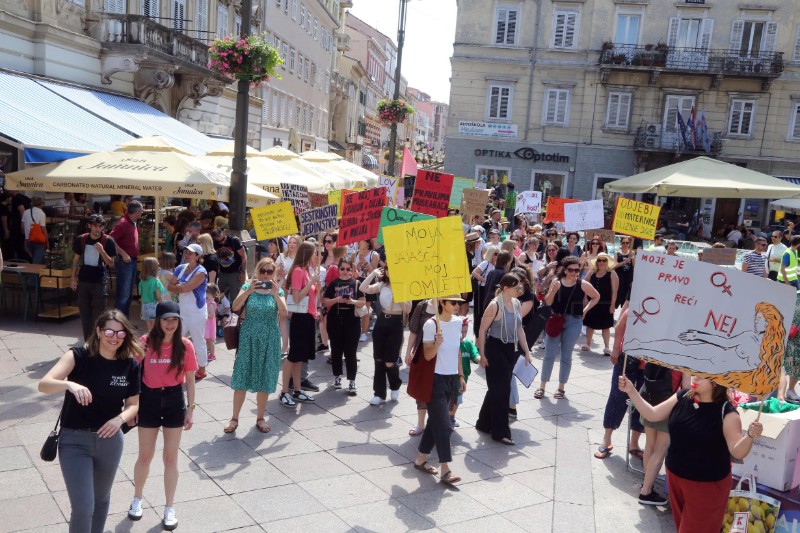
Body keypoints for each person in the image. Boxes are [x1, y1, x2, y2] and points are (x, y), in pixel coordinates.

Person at [38, 310, 141, 533]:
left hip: (111, 440)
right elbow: (44, 384)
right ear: (98, 330)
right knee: (84, 506)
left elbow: (134, 405)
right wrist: (69, 385)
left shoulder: (130, 365)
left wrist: (119, 419)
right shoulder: (78, 356)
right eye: (109, 331)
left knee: (102, 500)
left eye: (120, 332)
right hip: (74, 439)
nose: (114, 337)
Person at [618, 374, 762, 531]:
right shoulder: (683, 396)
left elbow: (738, 452)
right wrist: (631, 390)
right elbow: (652, 413)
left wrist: (750, 436)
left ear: (716, 383)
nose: (695, 378)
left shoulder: (727, 412)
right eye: (695, 373)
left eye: (702, 376)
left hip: (707, 486)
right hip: (675, 478)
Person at [128, 302, 197, 530]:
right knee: (145, 456)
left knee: (170, 458)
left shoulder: (185, 345)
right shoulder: (145, 343)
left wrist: (190, 409)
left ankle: (169, 507)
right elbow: (133, 376)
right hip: (148, 400)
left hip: (174, 400)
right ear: (158, 320)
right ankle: (137, 498)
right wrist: (131, 406)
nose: (170, 324)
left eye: (174, 319)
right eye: (166, 319)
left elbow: (189, 379)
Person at [226, 258, 286, 432]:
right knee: (241, 377)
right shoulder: (247, 287)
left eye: (269, 272)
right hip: (249, 337)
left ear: (274, 273)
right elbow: (235, 306)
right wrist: (248, 290)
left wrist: (276, 293)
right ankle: (234, 418)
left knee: (265, 378)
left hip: (270, 338)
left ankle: (260, 418)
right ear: (257, 271)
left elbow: (284, 313)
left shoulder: (278, 291)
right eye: (263, 271)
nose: (265, 275)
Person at [412, 296, 465, 485]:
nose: (458, 306)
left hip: (451, 379)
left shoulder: (458, 322)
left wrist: (460, 376)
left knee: (436, 421)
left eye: (459, 302)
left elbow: (458, 350)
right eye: (453, 302)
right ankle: (445, 469)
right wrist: (437, 343)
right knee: (444, 425)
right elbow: (427, 355)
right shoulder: (431, 324)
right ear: (442, 303)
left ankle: (420, 458)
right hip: (434, 380)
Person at [476, 274, 532, 444]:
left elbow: (520, 329)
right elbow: (482, 331)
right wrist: (482, 354)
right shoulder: (494, 305)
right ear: (506, 288)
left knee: (497, 388)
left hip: (511, 349)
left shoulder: (516, 303)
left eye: (521, 288)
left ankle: (484, 423)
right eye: (517, 288)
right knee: (502, 391)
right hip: (495, 349)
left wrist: (527, 352)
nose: (520, 290)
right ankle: (500, 433)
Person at [535, 256, 600, 399]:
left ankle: (561, 388)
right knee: (549, 354)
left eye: (577, 270)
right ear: (565, 270)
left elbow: (596, 296)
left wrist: (585, 310)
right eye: (571, 270)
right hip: (555, 319)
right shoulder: (556, 282)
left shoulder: (582, 284)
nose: (574, 273)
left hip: (574, 321)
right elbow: (548, 302)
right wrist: (553, 290)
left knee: (566, 355)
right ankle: (542, 386)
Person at [595, 309, 645, 461]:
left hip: (652, 364)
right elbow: (621, 325)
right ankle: (607, 438)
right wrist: (616, 348)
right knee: (617, 397)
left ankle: (634, 443)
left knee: (643, 401)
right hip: (627, 359)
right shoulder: (640, 303)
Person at [361, 265, 411, 404]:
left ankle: (395, 385)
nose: (391, 272)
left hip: (396, 323)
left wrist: (399, 296)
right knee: (378, 360)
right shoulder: (383, 284)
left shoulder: (404, 286)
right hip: (382, 320)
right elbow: (363, 288)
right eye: (388, 269)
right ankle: (379, 393)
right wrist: (372, 274)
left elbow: (408, 309)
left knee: (390, 361)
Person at [279, 242, 320, 406]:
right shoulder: (298, 271)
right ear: (308, 254)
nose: (316, 256)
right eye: (314, 253)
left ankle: (297, 390)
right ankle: (284, 391)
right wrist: (311, 283)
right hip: (300, 318)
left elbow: (309, 295)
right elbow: (296, 297)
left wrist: (316, 286)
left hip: (308, 316)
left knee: (299, 358)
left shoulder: (305, 271)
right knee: (293, 356)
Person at [71, 214, 117, 341]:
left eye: (100, 226)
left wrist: (102, 251)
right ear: (89, 226)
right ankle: (88, 343)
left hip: (99, 282)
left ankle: (97, 343)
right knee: (85, 315)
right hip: (84, 280)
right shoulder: (82, 239)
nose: (98, 229)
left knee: (98, 316)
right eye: (95, 226)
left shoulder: (108, 241)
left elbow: (111, 264)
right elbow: (75, 260)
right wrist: (73, 279)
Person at [323, 258, 365, 395]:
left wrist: (352, 301)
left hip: (352, 322)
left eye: (348, 269)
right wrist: (337, 299)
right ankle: (337, 377)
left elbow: (362, 303)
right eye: (342, 269)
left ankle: (352, 380)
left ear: (351, 271)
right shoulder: (333, 284)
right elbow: (325, 302)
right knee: (336, 351)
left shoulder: (357, 283)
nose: (345, 272)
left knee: (351, 352)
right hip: (335, 321)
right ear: (339, 270)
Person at [167, 243, 209, 380]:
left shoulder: (201, 272)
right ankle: (176, 365)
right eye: (186, 252)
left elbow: (186, 288)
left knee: (198, 340)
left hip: (197, 311)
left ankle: (202, 368)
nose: (187, 255)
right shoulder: (180, 267)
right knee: (175, 339)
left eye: (190, 253)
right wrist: (181, 287)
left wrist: (178, 286)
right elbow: (170, 287)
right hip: (182, 310)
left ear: (198, 256)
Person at [405, 299, 436, 437]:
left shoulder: (449, 305)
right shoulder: (422, 306)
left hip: (441, 355)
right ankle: (420, 424)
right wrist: (407, 352)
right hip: (422, 354)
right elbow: (413, 331)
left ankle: (437, 421)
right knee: (421, 388)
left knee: (439, 389)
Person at [108, 200, 142, 317]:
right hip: (124, 262)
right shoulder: (123, 223)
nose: (142, 213)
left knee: (128, 293)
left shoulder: (133, 222)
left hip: (131, 260)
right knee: (123, 294)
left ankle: (124, 321)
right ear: (137, 211)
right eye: (141, 211)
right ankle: (118, 321)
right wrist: (123, 253)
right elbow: (110, 239)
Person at [582, 253, 619, 355]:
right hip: (592, 302)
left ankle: (607, 347)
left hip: (606, 303)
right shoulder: (592, 272)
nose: (601, 262)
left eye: (604, 260)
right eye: (599, 260)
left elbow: (614, 290)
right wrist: (585, 298)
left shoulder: (612, 273)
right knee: (590, 324)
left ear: (607, 262)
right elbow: (584, 284)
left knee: (605, 326)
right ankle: (588, 344)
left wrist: (613, 304)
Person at [354, 239, 380, 341]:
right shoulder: (355, 254)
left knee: (366, 308)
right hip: (357, 282)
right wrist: (357, 266)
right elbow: (353, 271)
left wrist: (365, 262)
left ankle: (364, 332)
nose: (360, 241)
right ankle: (356, 331)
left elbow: (374, 271)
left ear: (367, 242)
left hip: (368, 282)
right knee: (356, 308)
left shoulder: (374, 254)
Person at [211, 229, 247, 302]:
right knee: (219, 296)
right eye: (219, 241)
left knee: (235, 297)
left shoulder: (234, 241)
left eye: (223, 239)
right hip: (223, 273)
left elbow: (243, 256)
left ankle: (235, 312)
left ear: (224, 234)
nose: (222, 242)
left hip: (235, 272)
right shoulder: (214, 243)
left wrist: (243, 272)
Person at [471, 245, 499, 337]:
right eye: (495, 254)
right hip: (482, 290)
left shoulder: (498, 266)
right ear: (491, 254)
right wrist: (486, 281)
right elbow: (474, 272)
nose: (497, 256)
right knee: (480, 312)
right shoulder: (485, 263)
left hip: (491, 291)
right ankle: (478, 335)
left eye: (499, 254)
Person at [780, 291, 800, 402]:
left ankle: (790, 389)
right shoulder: (794, 294)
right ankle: (780, 394)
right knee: (783, 364)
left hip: (797, 339)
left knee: (797, 365)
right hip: (787, 334)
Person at [138, 257, 165, 331]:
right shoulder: (156, 282)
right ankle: (154, 341)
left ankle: (149, 340)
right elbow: (159, 297)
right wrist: (164, 307)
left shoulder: (142, 281)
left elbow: (141, 294)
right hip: (153, 306)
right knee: (155, 328)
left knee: (149, 327)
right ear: (154, 268)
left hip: (144, 306)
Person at [21, 196, 47, 264]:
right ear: (41, 204)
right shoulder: (41, 213)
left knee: (31, 260)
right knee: (36, 263)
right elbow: (43, 229)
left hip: (28, 240)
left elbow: (22, 227)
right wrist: (47, 241)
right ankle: (34, 274)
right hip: (38, 240)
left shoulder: (26, 212)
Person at [613, 236, 635, 308]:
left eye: (627, 243)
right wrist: (624, 262)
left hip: (628, 277)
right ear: (621, 243)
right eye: (623, 243)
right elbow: (614, 265)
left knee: (627, 293)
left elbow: (635, 266)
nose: (625, 244)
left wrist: (633, 258)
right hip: (619, 276)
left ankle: (624, 309)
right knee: (618, 292)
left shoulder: (632, 253)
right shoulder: (617, 253)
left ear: (629, 244)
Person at [205, 283, 221, 362]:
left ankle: (212, 354)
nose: (205, 295)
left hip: (209, 324)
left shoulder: (211, 303)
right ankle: (209, 353)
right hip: (207, 324)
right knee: (207, 340)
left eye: (207, 293)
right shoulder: (207, 302)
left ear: (212, 294)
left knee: (209, 340)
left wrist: (204, 313)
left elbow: (211, 315)